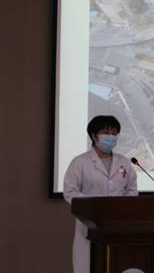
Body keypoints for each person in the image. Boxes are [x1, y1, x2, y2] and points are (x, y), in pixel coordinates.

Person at [63, 115, 138, 273]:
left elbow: (131, 190)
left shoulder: (124, 162)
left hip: (118, 224)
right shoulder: (80, 162)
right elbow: (70, 191)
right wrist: (93, 206)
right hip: (89, 224)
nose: (111, 137)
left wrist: (124, 208)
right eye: (106, 133)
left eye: (114, 133)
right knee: (89, 265)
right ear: (94, 135)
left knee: (117, 265)